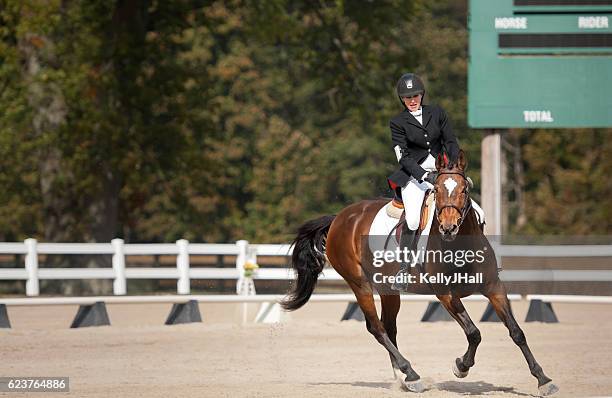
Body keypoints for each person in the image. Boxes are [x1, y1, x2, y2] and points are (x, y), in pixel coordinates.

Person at [387, 73, 485, 289]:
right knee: (413, 220)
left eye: (415, 95)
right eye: (407, 97)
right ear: (402, 100)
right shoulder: (397, 123)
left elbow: (450, 141)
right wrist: (424, 175)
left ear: (422, 95)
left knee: (479, 212)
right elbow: (403, 157)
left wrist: (454, 169)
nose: (412, 100)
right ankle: (404, 269)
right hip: (415, 177)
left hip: (445, 172)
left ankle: (478, 261)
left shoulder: (437, 113)